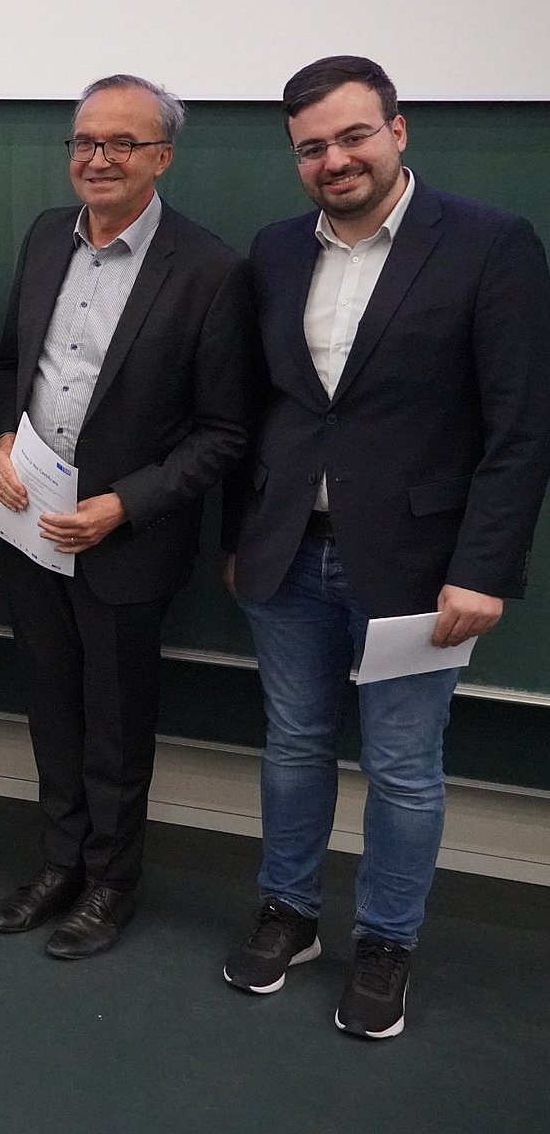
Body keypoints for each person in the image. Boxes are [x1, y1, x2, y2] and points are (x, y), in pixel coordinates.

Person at [221, 56, 550, 1038]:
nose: (335, 159)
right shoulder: (276, 250)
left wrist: (484, 569)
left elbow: (521, 427)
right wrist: (243, 535)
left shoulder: (489, 243)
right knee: (292, 743)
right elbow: (259, 408)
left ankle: (385, 942)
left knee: (404, 765)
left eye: (353, 135)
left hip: (418, 567)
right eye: (312, 147)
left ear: (398, 132)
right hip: (288, 555)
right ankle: (289, 912)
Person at [0, 75, 259, 958]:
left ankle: (110, 884)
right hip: (30, 529)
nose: (98, 158)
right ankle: (58, 865)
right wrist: (1, 441)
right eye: (85, 141)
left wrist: (123, 506)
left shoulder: (209, 269)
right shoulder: (43, 237)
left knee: (116, 724)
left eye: (122, 143)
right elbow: (11, 363)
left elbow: (225, 432)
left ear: (162, 156)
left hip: (126, 544)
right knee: (51, 710)